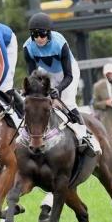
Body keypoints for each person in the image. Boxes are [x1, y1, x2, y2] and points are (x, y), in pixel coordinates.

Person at [23, 12, 100, 155]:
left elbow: (69, 76)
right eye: (35, 35)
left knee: (67, 103)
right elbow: (33, 75)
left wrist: (58, 89)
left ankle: (86, 136)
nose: (39, 39)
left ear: (49, 33)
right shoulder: (28, 47)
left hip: (68, 73)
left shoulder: (60, 42)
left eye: (42, 35)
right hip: (47, 74)